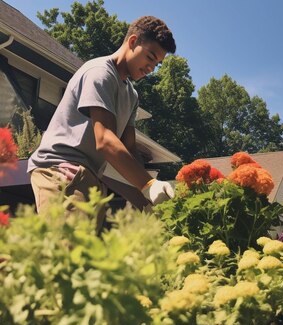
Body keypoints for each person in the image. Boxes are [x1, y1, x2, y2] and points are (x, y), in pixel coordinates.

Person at [28, 16, 177, 215]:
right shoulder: (100, 72)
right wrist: (147, 184)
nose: (151, 68)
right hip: (61, 170)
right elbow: (105, 140)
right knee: (70, 244)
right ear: (133, 42)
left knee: (87, 245)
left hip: (90, 177)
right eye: (150, 57)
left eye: (157, 64)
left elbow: (130, 150)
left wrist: (146, 199)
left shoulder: (131, 96)